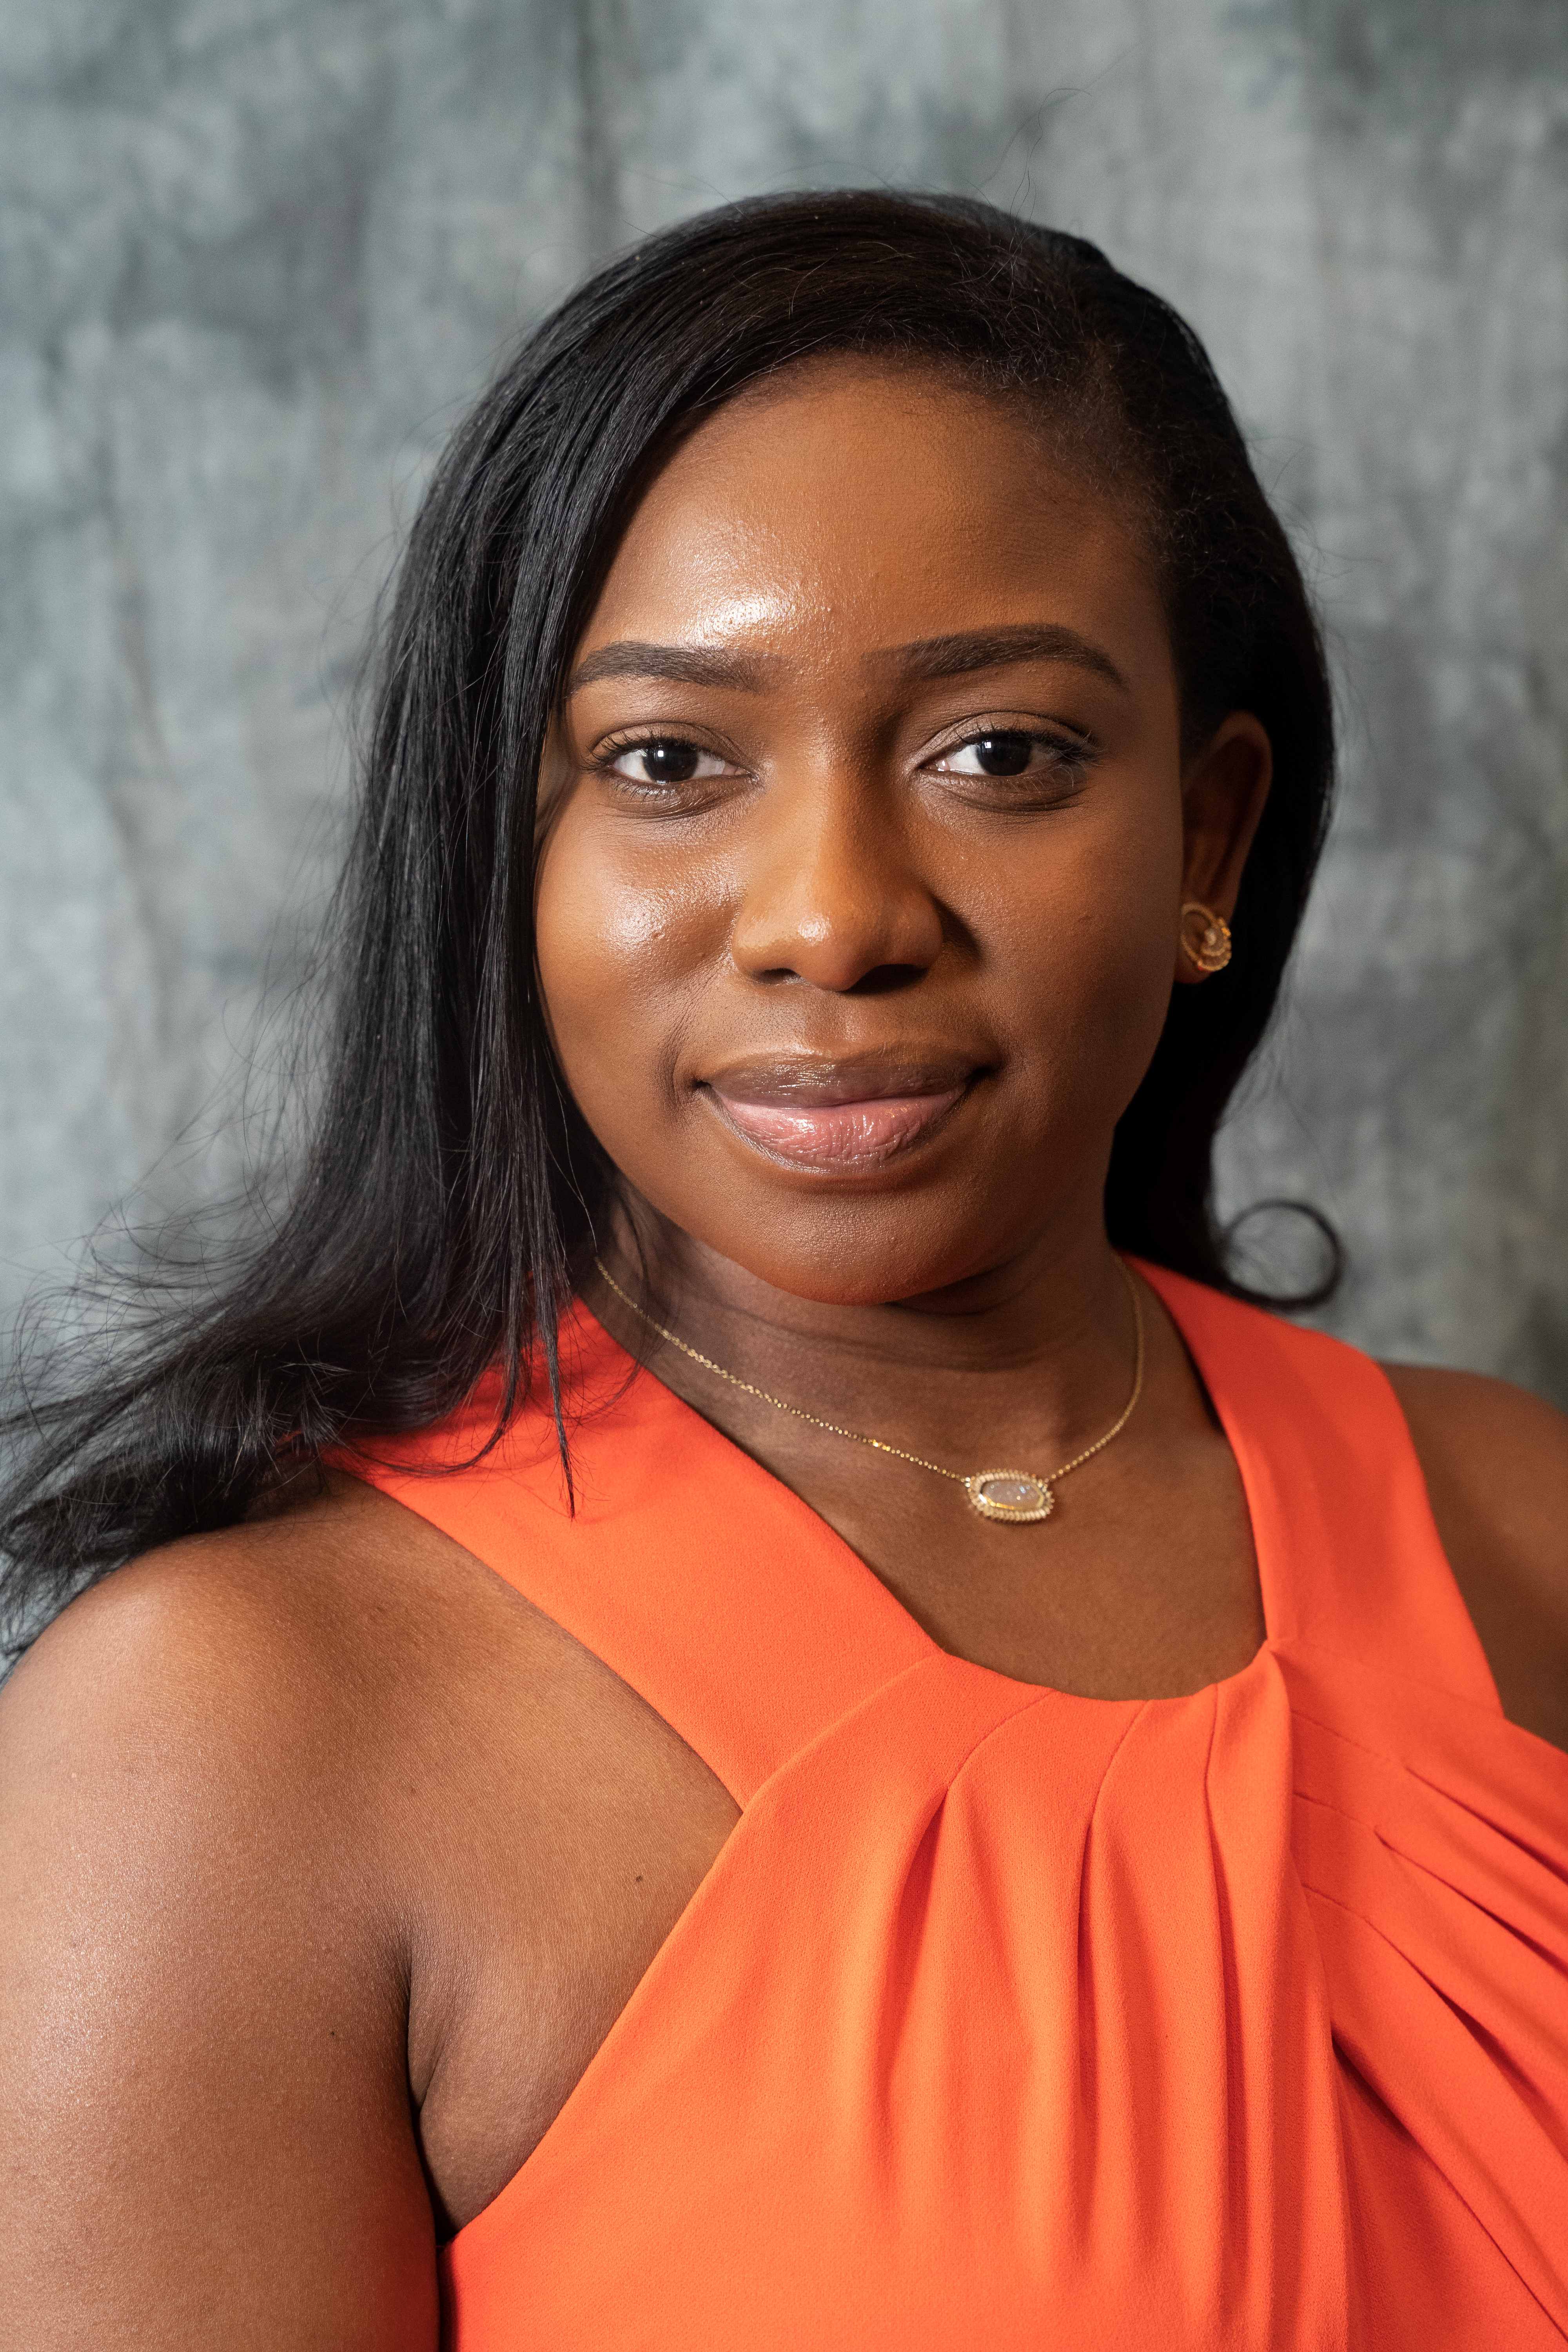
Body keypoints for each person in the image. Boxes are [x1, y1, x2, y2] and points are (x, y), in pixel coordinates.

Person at [1, 191, 1564, 2350]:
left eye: (998, 754)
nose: (833, 916)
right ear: (509, 849)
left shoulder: (1525, 1521)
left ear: (1205, 836)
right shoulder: (227, 1732)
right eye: (667, 762)